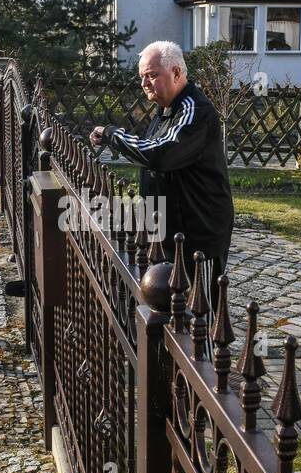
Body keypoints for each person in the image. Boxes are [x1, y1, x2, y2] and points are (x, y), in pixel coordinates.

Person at [91, 40, 234, 301]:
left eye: (152, 75)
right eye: (142, 77)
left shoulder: (194, 110)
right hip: (168, 230)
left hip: (198, 234)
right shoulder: (165, 111)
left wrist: (112, 135)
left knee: (199, 309)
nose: (145, 83)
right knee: (167, 303)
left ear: (177, 72)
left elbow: (160, 154)